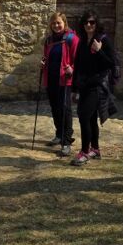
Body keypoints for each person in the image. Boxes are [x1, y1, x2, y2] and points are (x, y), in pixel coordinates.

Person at [70, 9, 117, 165]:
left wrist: (99, 51)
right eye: (86, 22)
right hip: (84, 85)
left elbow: (111, 63)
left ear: (97, 24)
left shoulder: (103, 40)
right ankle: (95, 149)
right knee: (90, 118)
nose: (88, 25)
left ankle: (84, 151)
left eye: (92, 22)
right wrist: (74, 89)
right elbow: (77, 66)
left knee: (83, 116)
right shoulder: (82, 41)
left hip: (97, 86)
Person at [41, 12, 79, 156]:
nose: (56, 25)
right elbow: (46, 57)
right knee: (55, 108)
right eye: (54, 23)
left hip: (65, 79)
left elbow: (78, 59)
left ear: (64, 23)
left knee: (65, 109)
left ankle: (67, 141)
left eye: (59, 23)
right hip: (51, 79)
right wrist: (43, 63)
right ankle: (59, 134)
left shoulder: (71, 38)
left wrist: (72, 68)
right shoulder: (49, 40)